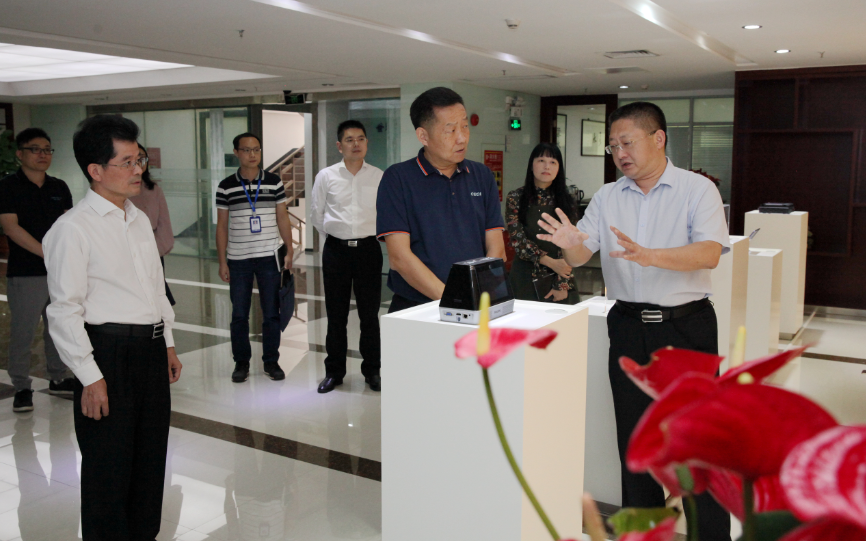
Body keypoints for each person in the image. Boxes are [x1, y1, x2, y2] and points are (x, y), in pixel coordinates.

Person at [536, 102, 732, 541]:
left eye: (627, 142)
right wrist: (568, 243)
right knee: (635, 440)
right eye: (613, 146)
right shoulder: (608, 196)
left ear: (658, 139)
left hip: (686, 328)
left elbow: (710, 253)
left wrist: (650, 255)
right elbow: (581, 254)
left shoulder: (696, 190)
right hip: (627, 326)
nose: (619, 153)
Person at [43, 114, 183, 540]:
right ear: (96, 170)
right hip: (107, 355)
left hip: (149, 352)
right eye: (127, 162)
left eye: (139, 160)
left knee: (149, 463)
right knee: (108, 471)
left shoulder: (137, 218)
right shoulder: (72, 229)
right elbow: (64, 311)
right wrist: (90, 376)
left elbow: (155, 288)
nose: (138, 169)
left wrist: (168, 344)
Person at [377, 87, 505, 313]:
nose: (462, 137)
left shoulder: (482, 176)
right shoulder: (398, 178)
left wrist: (477, 297)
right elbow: (399, 257)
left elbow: (496, 247)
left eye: (465, 126)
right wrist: (453, 300)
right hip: (417, 308)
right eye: (450, 130)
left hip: (475, 306)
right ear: (423, 136)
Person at [0, 127, 75, 413]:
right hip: (26, 272)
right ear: (20, 154)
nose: (42, 154)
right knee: (23, 331)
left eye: (47, 149)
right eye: (35, 149)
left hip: (59, 272)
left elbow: (68, 225)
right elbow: (11, 228)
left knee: (59, 328)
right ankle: (21, 386)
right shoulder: (8, 186)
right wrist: (48, 253)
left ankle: (58, 377)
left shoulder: (59, 187)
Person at [310, 120, 384, 393]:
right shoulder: (326, 176)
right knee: (336, 315)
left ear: (366, 143)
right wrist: (335, 238)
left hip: (368, 251)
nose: (356, 144)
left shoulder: (378, 176)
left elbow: (384, 213)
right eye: (350, 140)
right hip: (337, 252)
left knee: (369, 315)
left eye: (361, 139)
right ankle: (334, 373)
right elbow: (317, 215)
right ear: (340, 146)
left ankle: (372, 371)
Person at [216, 132, 294, 383]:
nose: (253, 154)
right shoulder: (226, 186)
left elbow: (282, 216)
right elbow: (222, 226)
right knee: (239, 314)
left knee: (271, 312)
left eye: (257, 149)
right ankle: (241, 362)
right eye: (247, 150)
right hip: (238, 259)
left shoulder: (273, 182)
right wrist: (222, 261)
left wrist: (289, 249)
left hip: (269, 256)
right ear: (236, 153)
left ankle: (271, 361)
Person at [505, 143, 579, 304]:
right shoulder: (515, 197)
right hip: (524, 276)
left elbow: (571, 244)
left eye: (553, 162)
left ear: (559, 169)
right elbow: (518, 241)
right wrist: (551, 263)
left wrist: (562, 284)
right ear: (531, 165)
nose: (547, 166)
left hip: (560, 276)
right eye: (541, 160)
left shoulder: (568, 200)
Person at [129, 143, 176, 305]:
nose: (138, 163)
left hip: (153, 251)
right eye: (132, 160)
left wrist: (156, 250)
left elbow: (164, 224)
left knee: (157, 294)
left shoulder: (154, 189)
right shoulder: (120, 191)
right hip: (128, 253)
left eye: (142, 159)